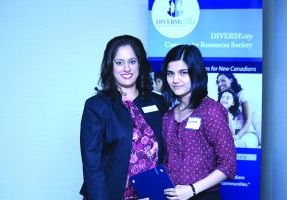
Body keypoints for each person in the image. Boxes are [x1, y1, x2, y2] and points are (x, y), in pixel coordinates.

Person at [79, 35, 168, 200]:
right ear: (110, 66)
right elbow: (92, 165)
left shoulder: (159, 102)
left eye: (132, 61)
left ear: (140, 64)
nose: (127, 68)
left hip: (151, 195)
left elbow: (168, 154)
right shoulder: (96, 106)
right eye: (119, 62)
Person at [161, 44, 236, 199]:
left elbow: (229, 165)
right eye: (170, 73)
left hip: (203, 196)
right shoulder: (168, 116)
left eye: (183, 73)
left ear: (196, 73)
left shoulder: (211, 111)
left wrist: (192, 189)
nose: (175, 80)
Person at [216, 72, 259, 148]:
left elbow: (248, 120)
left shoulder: (241, 94)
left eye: (223, 80)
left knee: (238, 145)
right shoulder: (221, 100)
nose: (220, 84)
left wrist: (237, 136)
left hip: (246, 133)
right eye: (218, 82)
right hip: (230, 134)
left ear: (231, 80)